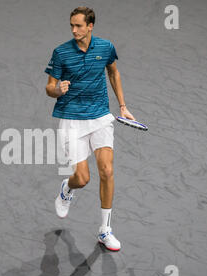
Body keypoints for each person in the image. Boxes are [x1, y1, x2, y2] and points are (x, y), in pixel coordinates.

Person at [45, 7, 136, 252]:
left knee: (106, 170)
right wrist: (58, 90)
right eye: (71, 26)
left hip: (100, 117)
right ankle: (67, 188)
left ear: (90, 25)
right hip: (72, 120)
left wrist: (123, 106)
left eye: (78, 26)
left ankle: (105, 230)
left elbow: (113, 73)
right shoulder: (61, 52)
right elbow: (49, 87)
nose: (74, 30)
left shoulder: (105, 47)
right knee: (82, 179)